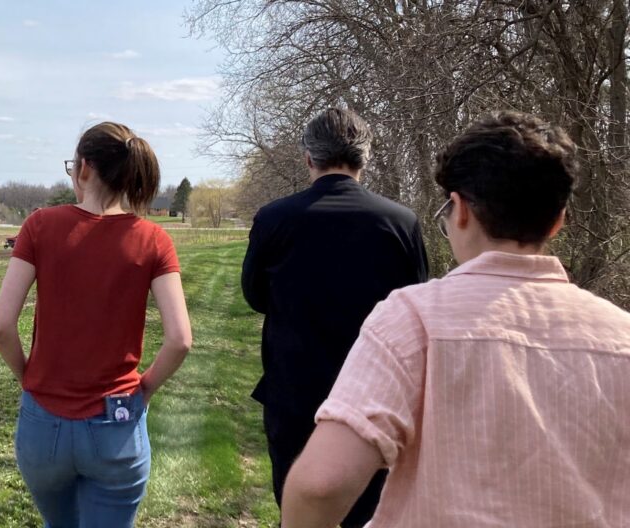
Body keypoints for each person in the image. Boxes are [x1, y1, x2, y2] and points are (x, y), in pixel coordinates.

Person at [281, 111, 630, 527]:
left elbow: (320, 485)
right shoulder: (621, 336)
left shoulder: (414, 319)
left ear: (459, 210)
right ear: (558, 222)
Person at [0, 121, 193, 527]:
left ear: (83, 168)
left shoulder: (39, 225)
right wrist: (145, 389)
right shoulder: (153, 240)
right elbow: (180, 340)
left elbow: (1, 325)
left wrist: (27, 377)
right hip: (115, 423)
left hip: (42, 426)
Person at [241, 108, 428, 527]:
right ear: (366, 157)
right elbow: (415, 307)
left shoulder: (274, 219)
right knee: (371, 512)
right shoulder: (401, 222)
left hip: (294, 390)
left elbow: (254, 296)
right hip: (375, 395)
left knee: (298, 510)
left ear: (308, 158)